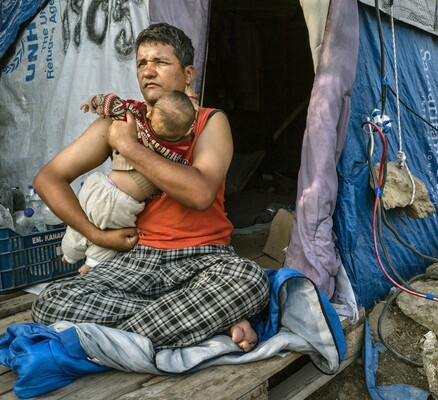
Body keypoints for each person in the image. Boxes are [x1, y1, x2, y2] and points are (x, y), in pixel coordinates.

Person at [31, 23, 269, 352]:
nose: (148, 71)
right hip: (138, 259)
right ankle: (202, 322)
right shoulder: (123, 120)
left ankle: (123, 338)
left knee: (250, 281)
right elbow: (48, 178)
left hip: (205, 259)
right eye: (142, 63)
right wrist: (96, 235)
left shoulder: (209, 121)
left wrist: (129, 148)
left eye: (160, 61)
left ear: (188, 74)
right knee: (50, 303)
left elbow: (200, 194)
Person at [62, 90, 197, 274]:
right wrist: (193, 101)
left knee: (80, 224)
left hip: (98, 186)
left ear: (150, 114)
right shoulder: (175, 150)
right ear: (188, 130)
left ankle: (69, 253)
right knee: (110, 241)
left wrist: (94, 102)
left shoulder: (139, 120)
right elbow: (187, 121)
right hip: (120, 205)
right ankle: (90, 265)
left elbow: (115, 104)